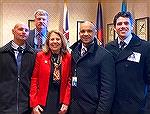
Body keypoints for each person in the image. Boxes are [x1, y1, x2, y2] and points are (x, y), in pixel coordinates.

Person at [105, 11, 150, 114]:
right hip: (114, 106)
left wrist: (147, 108)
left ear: (132, 26)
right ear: (115, 28)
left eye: (126, 23)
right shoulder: (108, 47)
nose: (123, 26)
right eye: (119, 24)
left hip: (137, 107)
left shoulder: (145, 47)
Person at [69, 21, 115, 114]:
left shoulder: (105, 56)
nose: (85, 34)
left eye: (89, 31)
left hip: (92, 108)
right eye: (82, 31)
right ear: (79, 33)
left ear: (95, 32)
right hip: (74, 108)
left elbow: (107, 90)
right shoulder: (73, 52)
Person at [30, 30, 71, 114]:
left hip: (61, 100)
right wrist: (34, 103)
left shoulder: (68, 57)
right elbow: (34, 79)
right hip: (43, 100)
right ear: (48, 42)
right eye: (52, 39)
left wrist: (66, 102)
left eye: (57, 39)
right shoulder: (40, 56)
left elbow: (69, 81)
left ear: (62, 41)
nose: (55, 42)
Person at [0, 23, 36, 114]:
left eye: (26, 30)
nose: (24, 32)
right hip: (5, 105)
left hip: (26, 106)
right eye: (20, 29)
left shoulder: (34, 55)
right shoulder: (2, 53)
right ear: (13, 31)